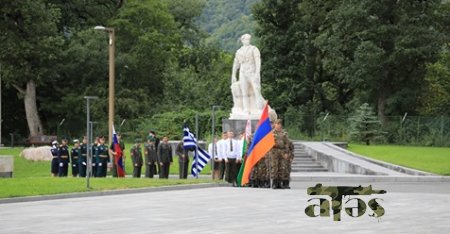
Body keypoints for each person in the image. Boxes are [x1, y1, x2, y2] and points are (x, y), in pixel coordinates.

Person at [230, 33, 265, 116]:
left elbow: (258, 61)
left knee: (256, 90)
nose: (248, 41)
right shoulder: (239, 51)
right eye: (246, 39)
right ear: (242, 40)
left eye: (249, 39)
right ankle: (246, 109)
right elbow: (236, 64)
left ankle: (259, 108)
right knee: (244, 91)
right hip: (243, 73)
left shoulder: (254, 49)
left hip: (252, 71)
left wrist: (257, 72)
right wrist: (233, 75)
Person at [269, 119, 291, 189]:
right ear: (274, 125)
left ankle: (280, 183)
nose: (278, 125)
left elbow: (287, 143)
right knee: (274, 167)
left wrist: (287, 152)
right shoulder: (271, 133)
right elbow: (269, 144)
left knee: (282, 167)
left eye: (280, 124)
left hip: (282, 151)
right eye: (277, 124)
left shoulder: (284, 133)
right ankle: (274, 183)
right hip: (274, 152)